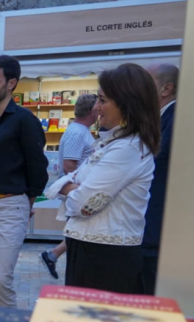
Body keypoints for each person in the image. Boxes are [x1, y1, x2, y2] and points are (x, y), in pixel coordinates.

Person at [48, 63, 159, 294]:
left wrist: (70, 189)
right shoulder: (114, 143)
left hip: (105, 256)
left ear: (127, 104)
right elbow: (72, 178)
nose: (96, 107)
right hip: (94, 250)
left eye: (102, 100)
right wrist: (74, 187)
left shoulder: (126, 149)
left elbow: (83, 204)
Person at [0, 55, 49, 307]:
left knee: (0, 279)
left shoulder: (25, 120)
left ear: (11, 83)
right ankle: (3, 321)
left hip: (11, 206)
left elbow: (38, 167)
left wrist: (27, 202)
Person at [40, 93, 99, 279]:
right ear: (91, 110)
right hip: (77, 194)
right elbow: (69, 165)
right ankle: (56, 258)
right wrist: (79, 191)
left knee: (79, 233)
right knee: (78, 233)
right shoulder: (77, 132)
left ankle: (53, 255)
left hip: (80, 192)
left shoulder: (80, 131)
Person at [141, 63, 178, 295]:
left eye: (146, 82)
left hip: (156, 230)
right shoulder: (158, 121)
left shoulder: (175, 122)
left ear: (166, 89)